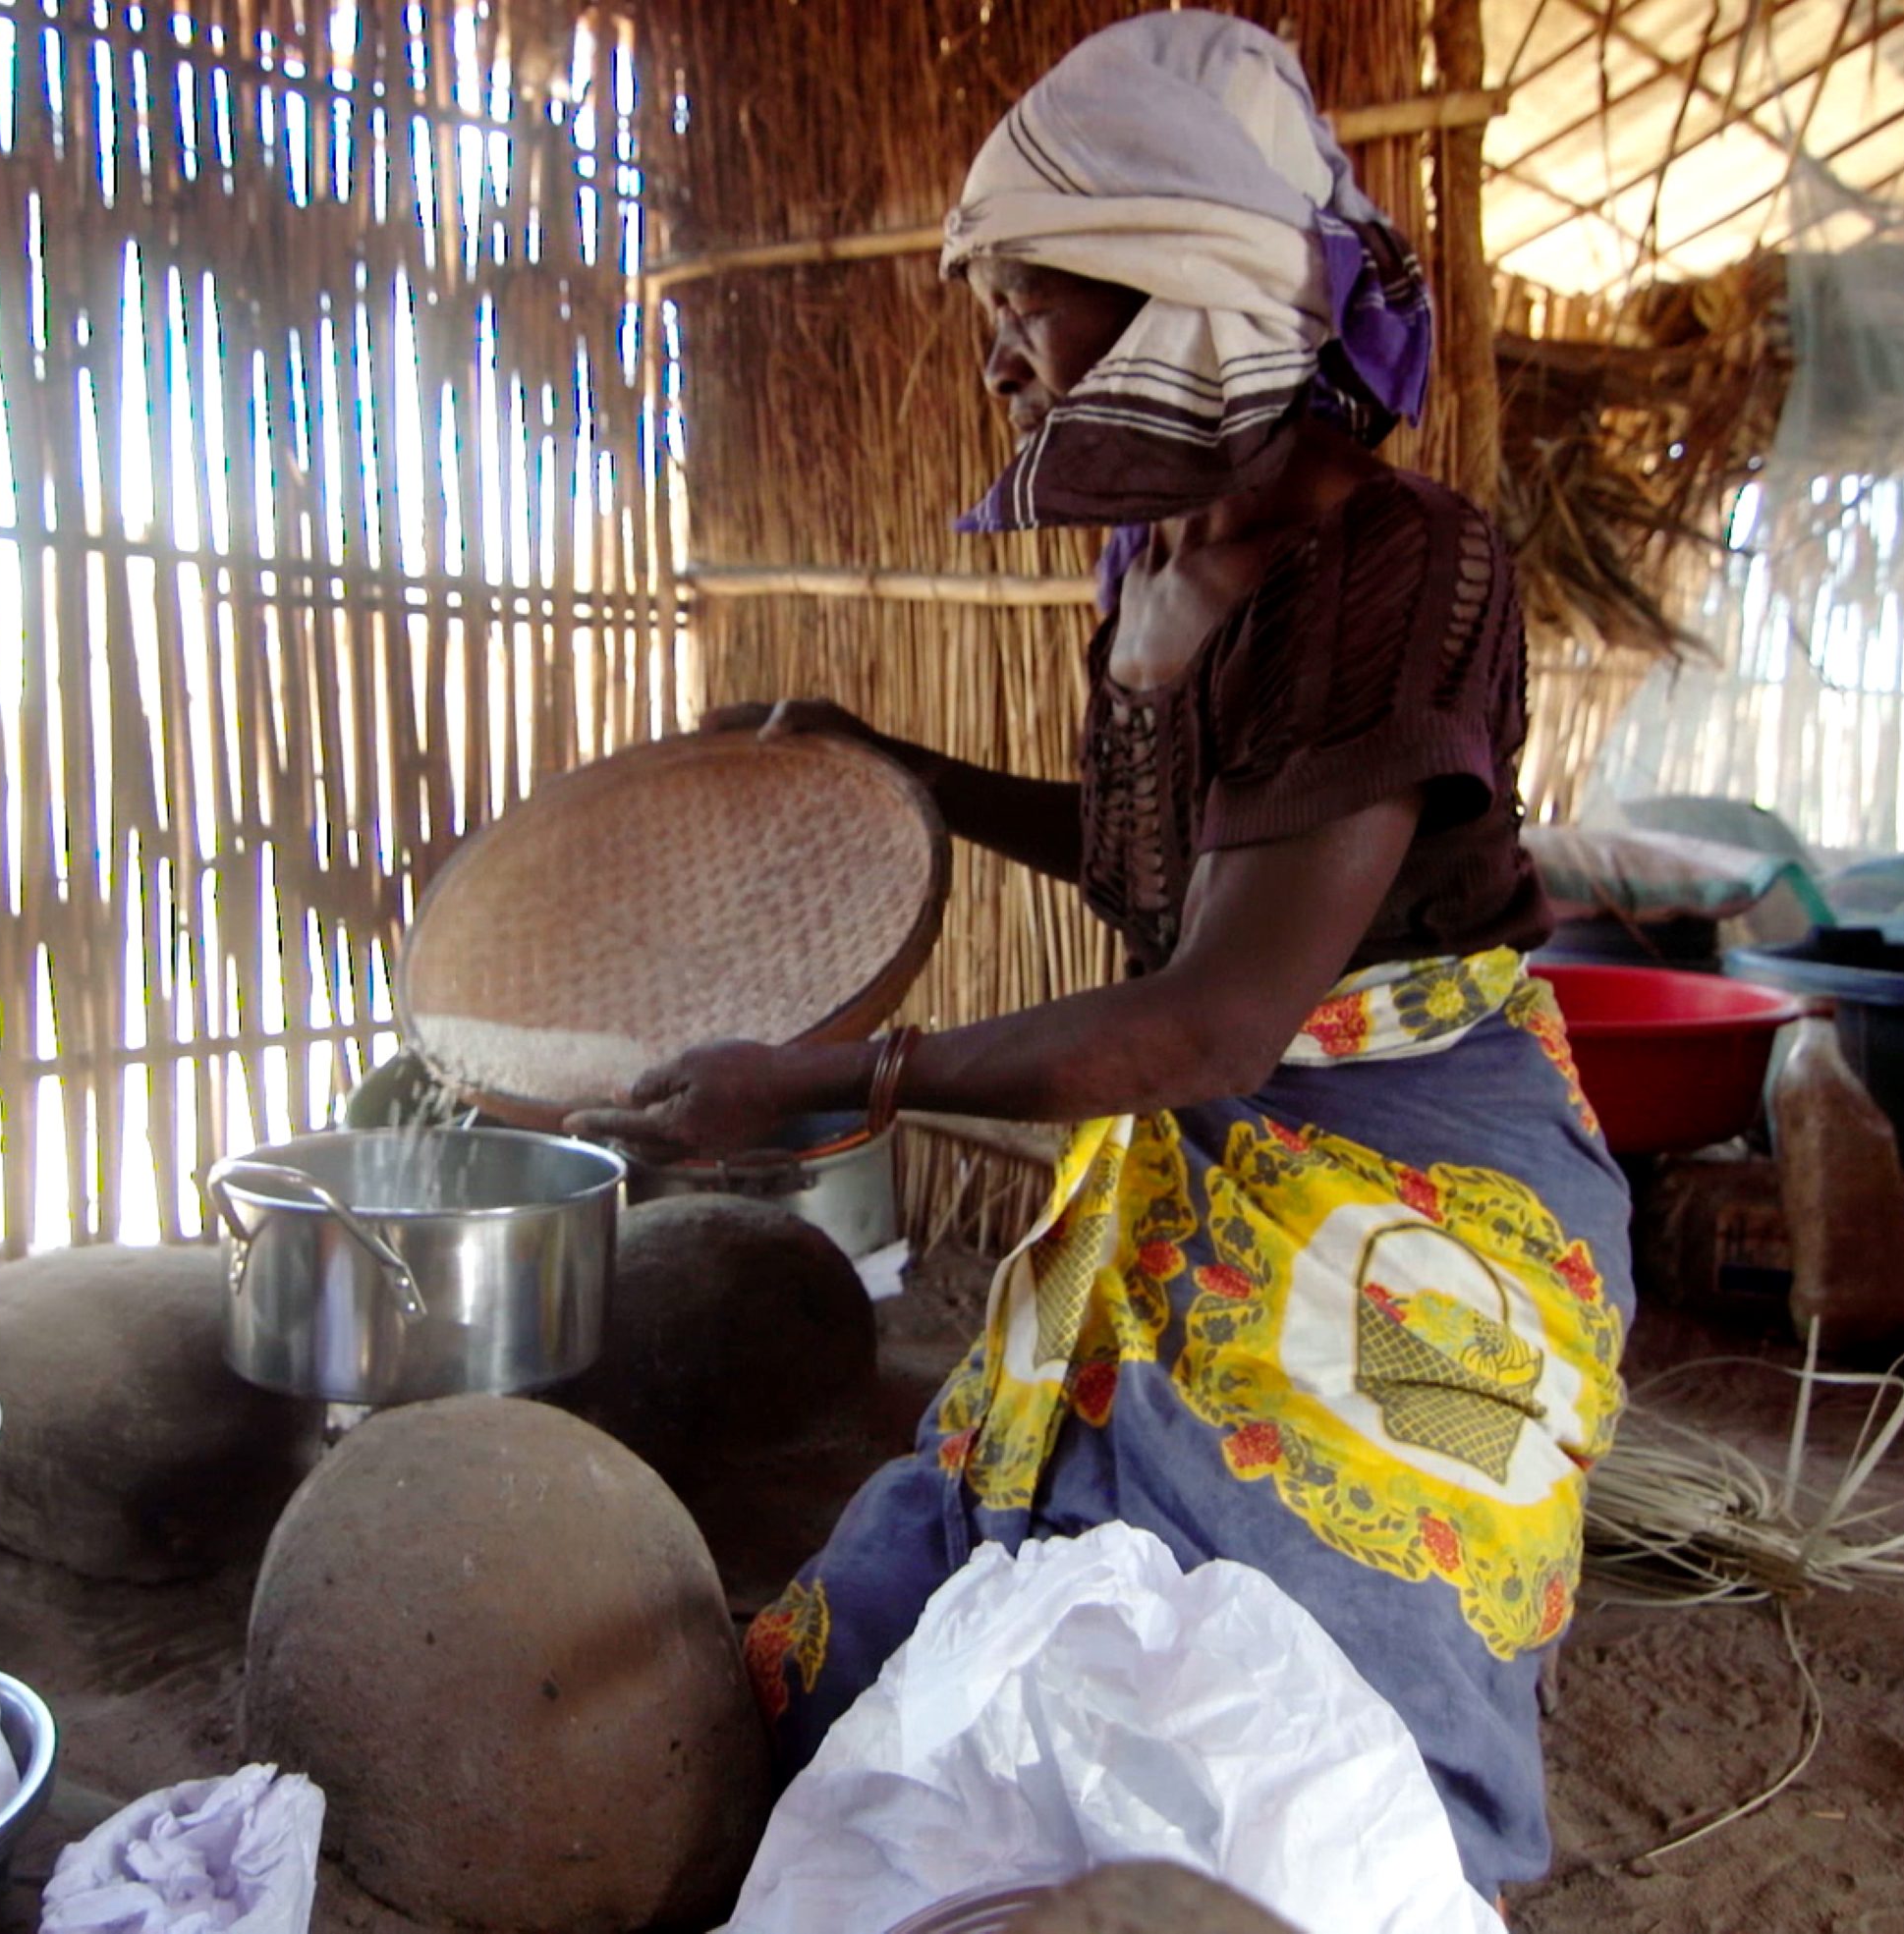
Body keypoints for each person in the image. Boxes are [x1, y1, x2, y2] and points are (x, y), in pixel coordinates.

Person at [564, 11, 1628, 1906]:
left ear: (1168, 293)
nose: (994, 355)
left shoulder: (1410, 573)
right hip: (1201, 1137)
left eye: (1026, 302)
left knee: (1297, 1708)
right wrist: (909, 777)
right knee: (926, 1599)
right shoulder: (1150, 557)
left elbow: (1221, 1013)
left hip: (1418, 1175)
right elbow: (1179, 867)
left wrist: (825, 1081)